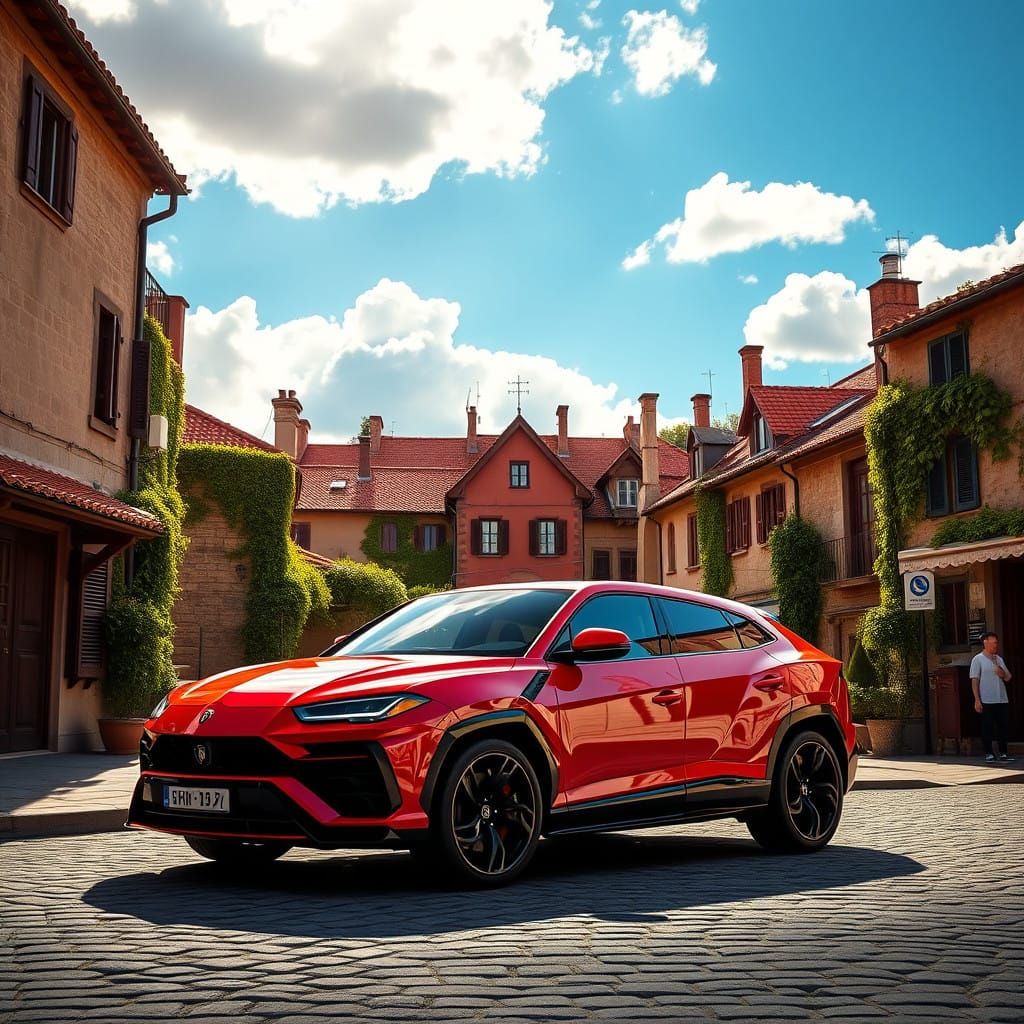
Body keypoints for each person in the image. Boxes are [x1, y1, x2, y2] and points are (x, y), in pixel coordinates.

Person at [970, 632, 1014, 763]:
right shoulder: (978, 659)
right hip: (986, 699)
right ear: (986, 643)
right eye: (994, 642)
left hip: (1001, 698)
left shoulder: (998, 659)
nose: (996, 645)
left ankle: (1003, 753)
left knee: (1003, 726)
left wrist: (1001, 672)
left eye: (996, 642)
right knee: (987, 727)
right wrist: (977, 699)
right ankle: (989, 753)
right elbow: (974, 680)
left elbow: (1008, 677)